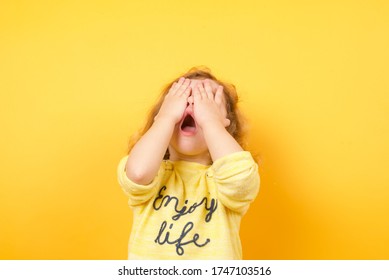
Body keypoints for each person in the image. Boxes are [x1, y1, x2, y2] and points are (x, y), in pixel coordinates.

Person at [117, 67, 260, 259]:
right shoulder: (154, 173)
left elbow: (240, 180)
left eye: (206, 100)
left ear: (226, 123)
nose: (192, 106)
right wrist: (167, 117)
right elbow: (138, 173)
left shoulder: (224, 180)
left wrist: (210, 121)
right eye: (181, 99)